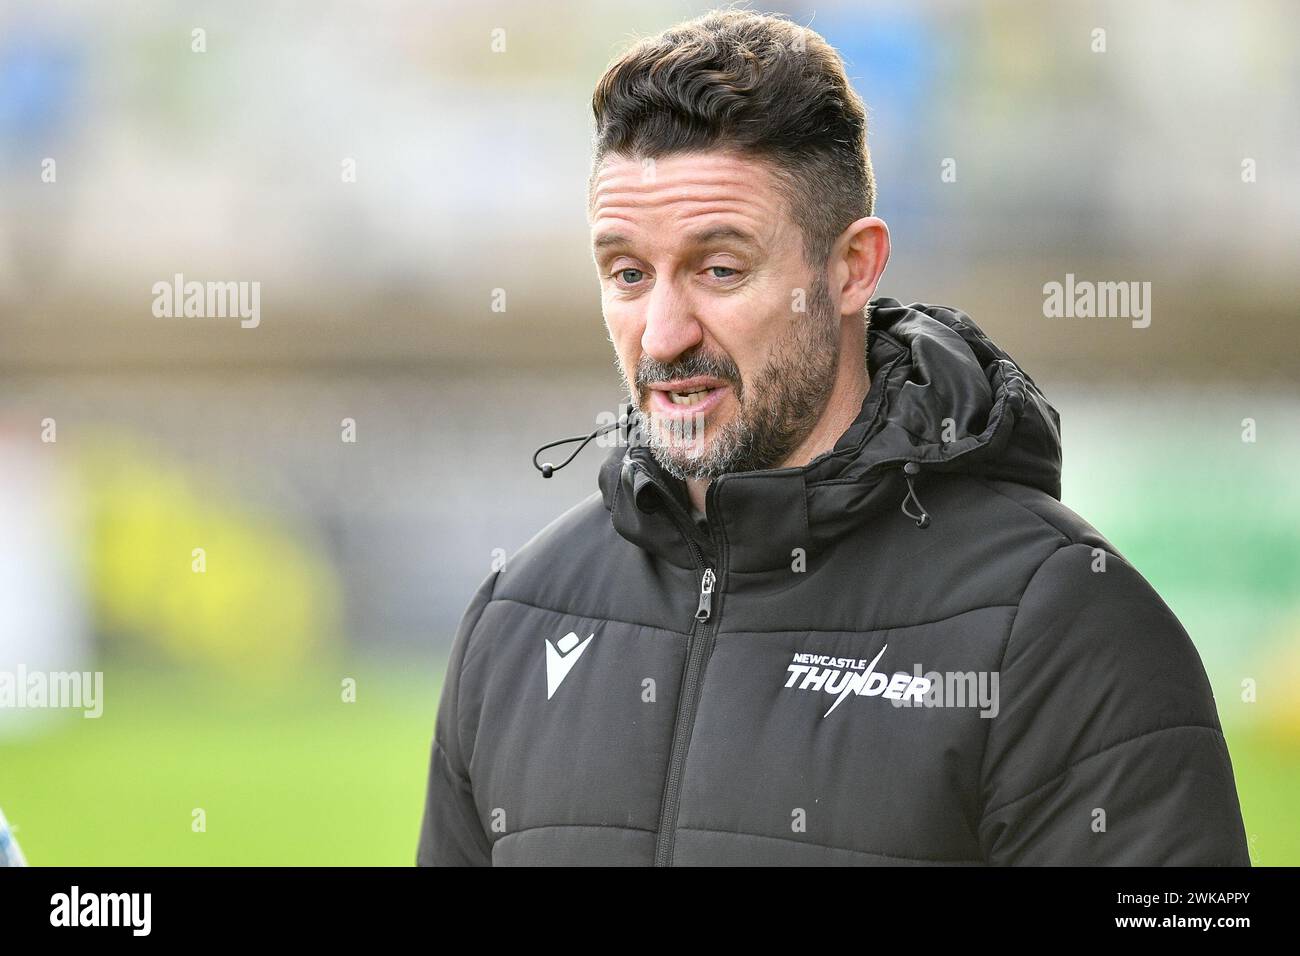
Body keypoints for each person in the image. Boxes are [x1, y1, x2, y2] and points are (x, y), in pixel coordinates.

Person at [417, 9, 1249, 866]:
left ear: (851, 268)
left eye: (719, 269)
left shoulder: (1061, 625)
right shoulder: (516, 620)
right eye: (628, 273)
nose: (662, 335)